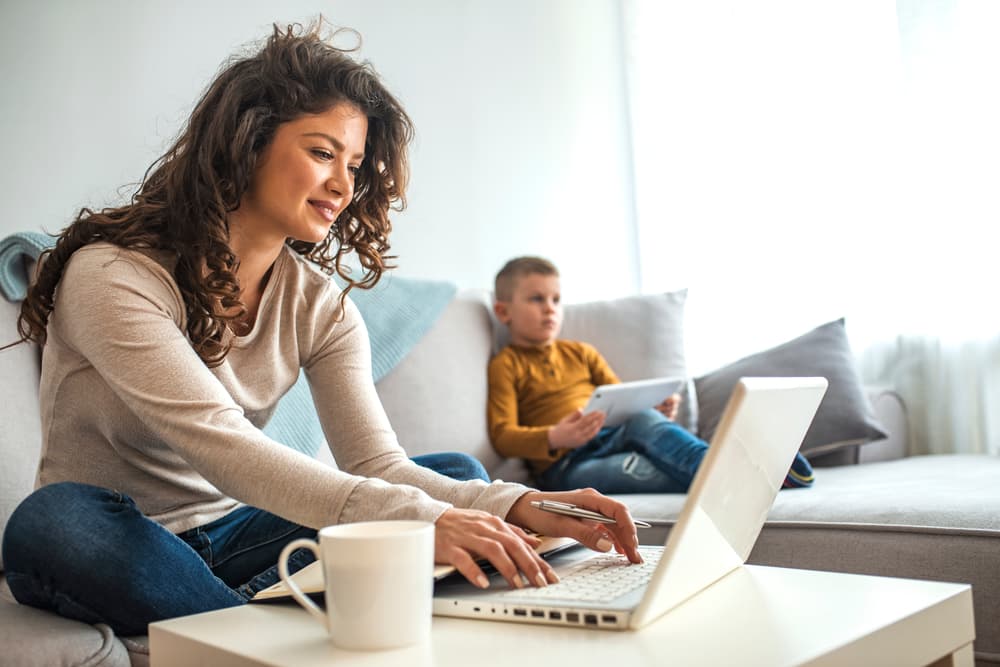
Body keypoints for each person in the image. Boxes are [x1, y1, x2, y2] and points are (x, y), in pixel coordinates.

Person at [0, 22, 642, 637]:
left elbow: (377, 463)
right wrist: (428, 521)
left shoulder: (319, 306)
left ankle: (251, 616)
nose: (343, 184)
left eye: (356, 165)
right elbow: (222, 446)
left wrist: (512, 503)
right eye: (321, 152)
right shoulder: (113, 275)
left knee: (453, 471)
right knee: (53, 524)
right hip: (119, 533)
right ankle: (264, 626)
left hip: (236, 535)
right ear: (247, 144)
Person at [488, 256, 815, 493]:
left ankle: (736, 468)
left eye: (556, 300)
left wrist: (651, 408)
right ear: (503, 311)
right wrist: (554, 438)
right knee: (642, 470)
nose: (550, 308)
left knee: (644, 418)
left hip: (614, 435)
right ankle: (754, 474)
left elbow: (621, 402)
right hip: (565, 467)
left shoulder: (580, 352)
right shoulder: (506, 364)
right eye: (536, 299)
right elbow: (502, 435)